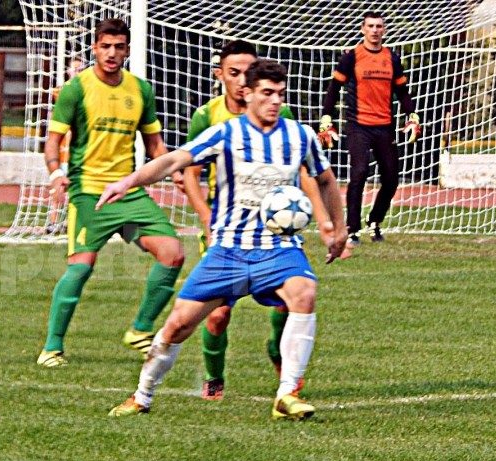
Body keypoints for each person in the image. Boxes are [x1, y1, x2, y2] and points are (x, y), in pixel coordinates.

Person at [100, 59, 347, 420]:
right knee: (178, 325)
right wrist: (127, 181)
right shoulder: (225, 133)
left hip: (277, 250)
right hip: (228, 250)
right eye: (267, 93)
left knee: (304, 292)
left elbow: (325, 179)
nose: (275, 101)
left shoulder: (300, 136)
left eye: (280, 94)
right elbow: (174, 161)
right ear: (247, 94)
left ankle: (287, 394)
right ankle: (142, 396)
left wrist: (338, 228)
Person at [180, 40, 342, 401]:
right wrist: (206, 219)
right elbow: (189, 172)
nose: (241, 80)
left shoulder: (282, 118)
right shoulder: (208, 116)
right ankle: (214, 376)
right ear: (221, 75)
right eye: (233, 72)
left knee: (291, 300)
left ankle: (278, 354)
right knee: (217, 314)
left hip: (274, 231)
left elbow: (307, 174)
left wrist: (323, 220)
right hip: (226, 228)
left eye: (246, 72)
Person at [37, 18, 185, 367]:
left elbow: (154, 144)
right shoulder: (76, 89)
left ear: (127, 50)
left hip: (128, 194)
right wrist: (56, 174)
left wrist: (174, 170)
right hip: (89, 195)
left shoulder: (140, 90)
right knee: (80, 268)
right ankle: (52, 348)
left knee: (173, 253)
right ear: (95, 48)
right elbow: (53, 141)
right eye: (105, 46)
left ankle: (140, 329)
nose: (112, 53)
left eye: (119, 47)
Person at [318, 11, 420, 246]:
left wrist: (412, 115)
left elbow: (402, 92)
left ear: (384, 30)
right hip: (358, 126)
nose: (375, 30)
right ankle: (352, 229)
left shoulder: (392, 58)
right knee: (359, 173)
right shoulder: (352, 57)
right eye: (371, 26)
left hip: (385, 126)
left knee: (391, 178)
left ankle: (374, 220)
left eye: (379, 26)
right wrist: (326, 118)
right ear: (363, 29)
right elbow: (334, 88)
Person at [47, 55, 87, 234]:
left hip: (78, 149)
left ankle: (70, 222)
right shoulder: (61, 91)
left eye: (81, 69)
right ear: (68, 71)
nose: (77, 72)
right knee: (58, 186)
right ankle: (52, 221)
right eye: (75, 69)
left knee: (76, 188)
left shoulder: (88, 92)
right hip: (63, 149)